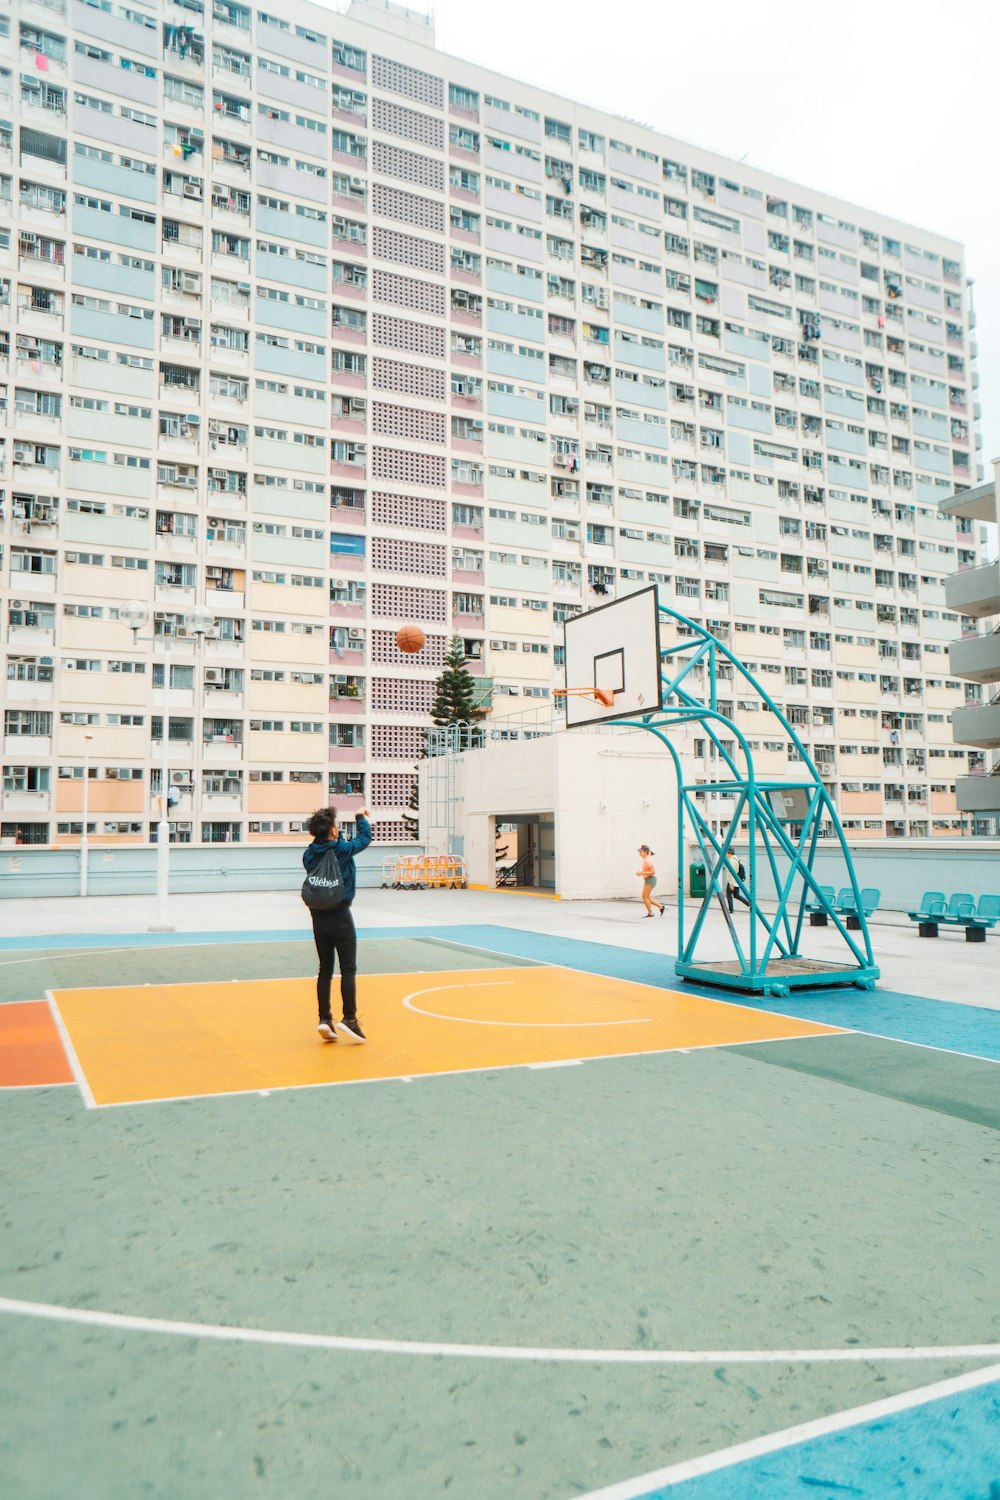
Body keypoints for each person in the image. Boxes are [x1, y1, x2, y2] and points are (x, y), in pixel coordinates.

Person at [303, 805, 372, 1043]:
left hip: (318, 917)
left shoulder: (309, 854)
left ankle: (325, 1019)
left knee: (325, 969)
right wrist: (360, 816)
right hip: (341, 916)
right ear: (333, 830)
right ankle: (350, 1019)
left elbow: (328, 845)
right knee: (348, 969)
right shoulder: (343, 850)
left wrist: (332, 833)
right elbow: (365, 838)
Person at [636, 844, 665, 919]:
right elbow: (649, 871)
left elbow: (652, 872)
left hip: (650, 879)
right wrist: (642, 872)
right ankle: (661, 907)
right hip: (649, 879)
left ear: (645, 852)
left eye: (641, 851)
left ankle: (651, 913)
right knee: (646, 897)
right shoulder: (647, 859)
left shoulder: (647, 860)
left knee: (644, 897)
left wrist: (641, 873)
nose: (639, 852)